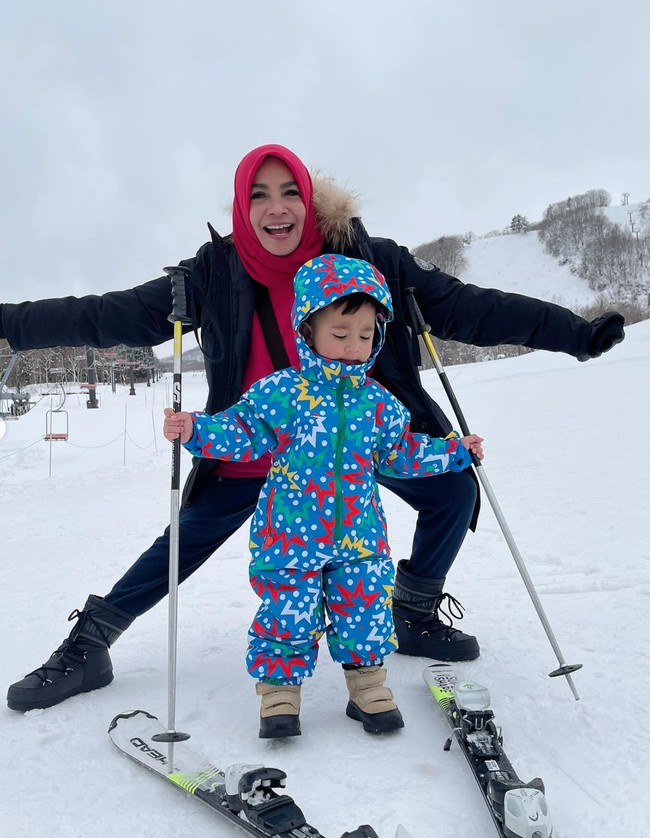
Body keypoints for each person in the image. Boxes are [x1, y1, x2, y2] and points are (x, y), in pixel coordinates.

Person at [1, 143, 625, 713]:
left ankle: (412, 609)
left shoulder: (367, 261)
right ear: (243, 209)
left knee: (454, 488)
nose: (276, 209)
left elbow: (471, 308)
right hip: (258, 440)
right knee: (183, 540)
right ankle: (92, 643)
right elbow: (99, 315)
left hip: (359, 435)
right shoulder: (209, 276)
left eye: (289, 192)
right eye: (259, 196)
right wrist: (8, 324)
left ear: (310, 198)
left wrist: (574, 333)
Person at [163, 254, 484, 738]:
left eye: (366, 334)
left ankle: (368, 687)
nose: (356, 346)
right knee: (286, 611)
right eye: (341, 333)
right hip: (289, 538)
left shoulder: (378, 402)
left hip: (359, 538)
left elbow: (399, 453)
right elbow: (243, 432)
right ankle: (279, 692)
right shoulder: (282, 392)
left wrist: (453, 453)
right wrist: (195, 430)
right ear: (308, 330)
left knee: (366, 609)